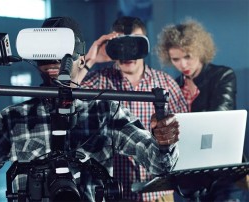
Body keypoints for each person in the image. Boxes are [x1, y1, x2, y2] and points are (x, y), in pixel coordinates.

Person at [0, 16, 180, 202]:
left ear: (80, 58)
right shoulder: (14, 119)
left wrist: (164, 143)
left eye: (60, 56)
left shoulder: (104, 114)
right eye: (44, 57)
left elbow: (159, 164)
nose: (51, 64)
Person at [80, 16, 188, 201]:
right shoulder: (98, 82)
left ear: (144, 45)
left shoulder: (166, 84)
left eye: (134, 43)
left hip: (158, 194)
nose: (128, 51)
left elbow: (185, 133)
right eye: (121, 43)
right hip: (115, 193)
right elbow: (63, 97)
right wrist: (90, 60)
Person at [156, 18, 248, 201]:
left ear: (200, 51)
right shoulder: (173, 86)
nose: (182, 65)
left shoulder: (222, 75)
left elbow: (219, 120)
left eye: (188, 56)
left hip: (225, 171)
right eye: (176, 59)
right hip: (192, 178)